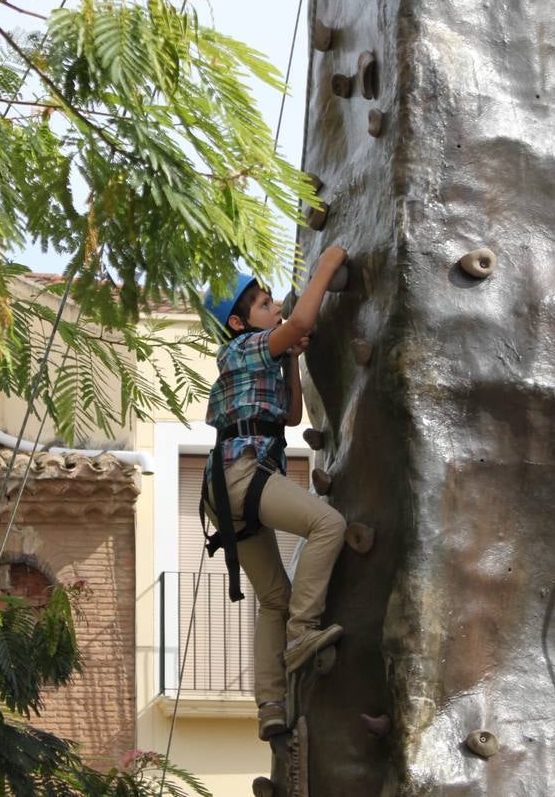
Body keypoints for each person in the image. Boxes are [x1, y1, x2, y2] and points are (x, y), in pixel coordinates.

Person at [200, 246, 350, 741]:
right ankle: (302, 634)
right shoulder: (241, 348)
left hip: (225, 488)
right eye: (265, 305)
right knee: (328, 524)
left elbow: (289, 416)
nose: (276, 309)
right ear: (241, 323)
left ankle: (269, 704)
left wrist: (289, 358)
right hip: (241, 473)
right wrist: (328, 263)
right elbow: (304, 314)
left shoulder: (259, 354)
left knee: (273, 597)